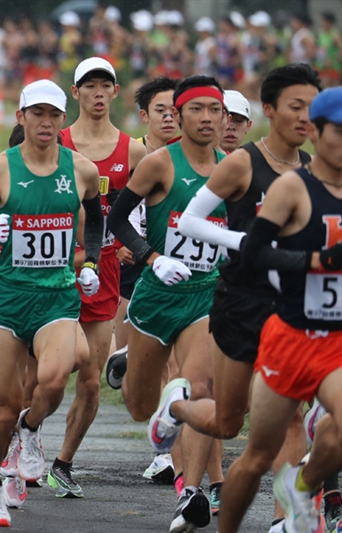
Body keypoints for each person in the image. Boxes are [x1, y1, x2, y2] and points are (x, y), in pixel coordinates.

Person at [175, 64, 322, 533]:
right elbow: (190, 222)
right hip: (241, 301)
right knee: (227, 422)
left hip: (293, 306)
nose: (305, 118)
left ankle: (284, 520)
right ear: (270, 109)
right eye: (295, 107)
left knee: (291, 418)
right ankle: (175, 406)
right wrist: (252, 245)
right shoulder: (242, 162)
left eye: (312, 109)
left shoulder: (315, 168)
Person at [0, 79, 101, 526]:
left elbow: (96, 218)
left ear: (63, 119)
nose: (46, 122)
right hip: (10, 301)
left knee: (54, 380)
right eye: (37, 113)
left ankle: (31, 428)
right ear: (21, 117)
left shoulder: (82, 170)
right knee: (2, 409)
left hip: (57, 296)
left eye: (54, 114)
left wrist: (90, 262)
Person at [107, 75, 228, 533]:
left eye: (213, 110)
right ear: (177, 116)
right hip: (155, 297)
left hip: (204, 294)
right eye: (195, 109)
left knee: (201, 386)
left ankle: (191, 493)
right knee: (139, 406)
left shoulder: (232, 168)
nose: (206, 118)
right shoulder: (160, 164)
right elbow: (118, 218)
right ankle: (160, 400)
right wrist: (151, 258)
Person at [223, 86, 342, 533]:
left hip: (336, 342)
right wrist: (314, 262)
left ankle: (302, 485)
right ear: (316, 131)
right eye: (340, 132)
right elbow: (252, 254)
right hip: (290, 337)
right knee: (255, 459)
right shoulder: (294, 187)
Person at [52, 57, 147, 498]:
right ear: (75, 93)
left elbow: (145, 211)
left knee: (90, 379)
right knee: (47, 374)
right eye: (88, 85)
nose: (96, 92)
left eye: (104, 85)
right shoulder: (57, 140)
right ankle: (27, 431)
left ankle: (63, 462)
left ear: (114, 92)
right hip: (53, 268)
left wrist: (142, 247)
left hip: (105, 269)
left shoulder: (134, 152)